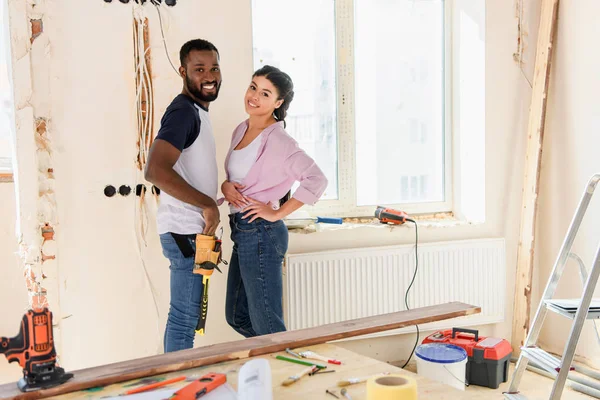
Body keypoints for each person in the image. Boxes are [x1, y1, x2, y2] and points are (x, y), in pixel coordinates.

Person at [221, 65, 328, 338]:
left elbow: (316, 179)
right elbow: (238, 176)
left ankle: (280, 369)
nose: (254, 96)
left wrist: (277, 213)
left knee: (268, 326)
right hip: (242, 229)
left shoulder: (280, 141)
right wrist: (225, 185)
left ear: (278, 103)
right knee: (236, 316)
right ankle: (272, 362)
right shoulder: (241, 129)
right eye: (253, 87)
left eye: (265, 93)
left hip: (260, 233)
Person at [144, 39, 222, 352]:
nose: (209, 75)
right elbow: (155, 170)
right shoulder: (183, 112)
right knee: (183, 321)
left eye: (214, 67)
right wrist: (207, 205)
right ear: (183, 72)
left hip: (192, 234)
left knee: (186, 319)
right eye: (199, 68)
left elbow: (191, 172)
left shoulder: (197, 113)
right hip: (185, 233)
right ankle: (177, 389)